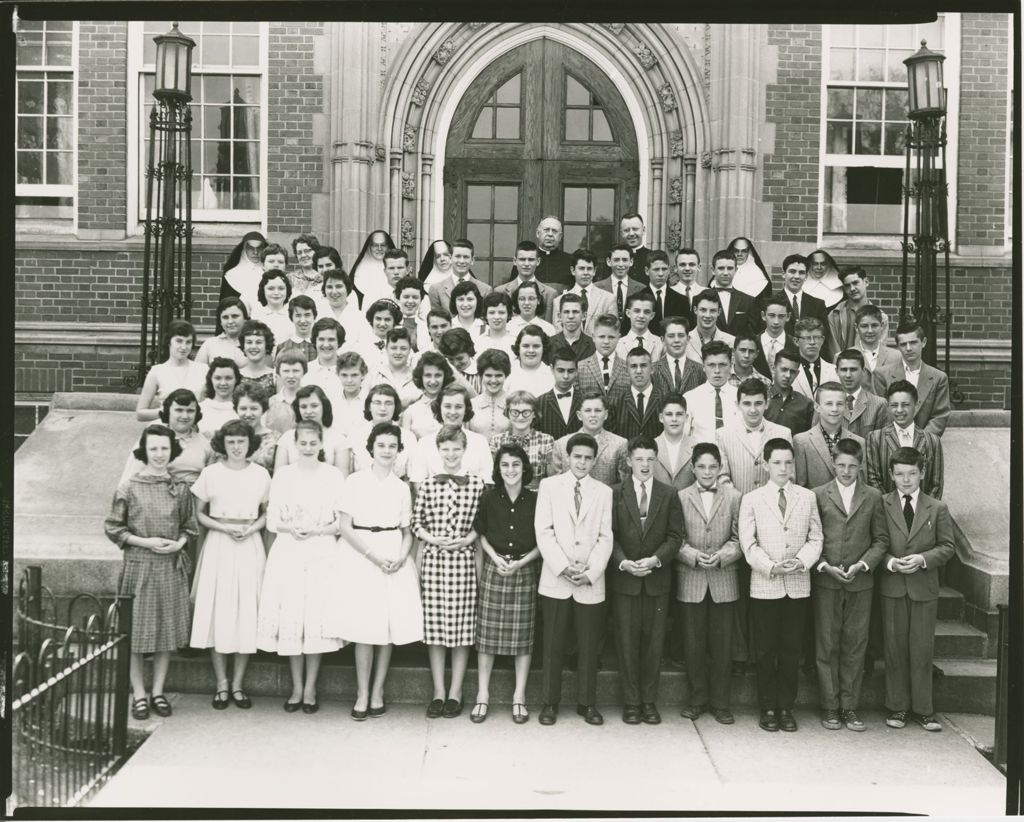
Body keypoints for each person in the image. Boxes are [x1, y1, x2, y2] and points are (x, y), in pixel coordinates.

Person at [104, 424, 197, 721]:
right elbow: (114, 528)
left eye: (165, 449)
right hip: (139, 567)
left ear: (172, 452)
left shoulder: (180, 489)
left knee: (166, 634)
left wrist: (177, 545)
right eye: (154, 448)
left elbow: (189, 527)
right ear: (145, 451)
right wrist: (146, 542)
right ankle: (139, 694)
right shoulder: (129, 487)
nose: (159, 454)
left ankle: (158, 691)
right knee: (135, 635)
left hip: (169, 567)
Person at [257, 420, 347, 713]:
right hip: (289, 550)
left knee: (314, 618)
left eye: (313, 443)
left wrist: (318, 531)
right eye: (303, 443)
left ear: (321, 444)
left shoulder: (333, 476)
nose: (308, 448)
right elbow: (271, 519)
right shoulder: (283, 476)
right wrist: (291, 528)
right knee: (293, 618)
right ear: (295, 444)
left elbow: (340, 522)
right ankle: (296, 687)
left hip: (321, 551)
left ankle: (310, 688)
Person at [335, 422, 423, 720]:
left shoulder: (401, 487)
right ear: (371, 448)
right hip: (362, 554)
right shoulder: (355, 482)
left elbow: (407, 531)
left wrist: (400, 557)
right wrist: (373, 555)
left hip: (393, 555)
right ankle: (361, 692)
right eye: (381, 445)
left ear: (399, 451)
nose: (387, 450)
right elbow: (344, 526)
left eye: (392, 446)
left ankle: (378, 692)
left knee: (387, 628)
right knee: (365, 628)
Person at [739, 438, 823, 733]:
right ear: (765, 465)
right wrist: (772, 566)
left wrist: (801, 562)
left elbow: (816, 538)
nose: (783, 468)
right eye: (777, 462)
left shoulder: (807, 497)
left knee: (791, 648)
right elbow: (748, 543)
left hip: (798, 584)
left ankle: (786, 706)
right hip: (765, 584)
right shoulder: (751, 499)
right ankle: (768, 707)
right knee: (765, 650)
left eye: (788, 462)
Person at [190, 419, 272, 710]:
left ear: (250, 443)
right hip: (220, 545)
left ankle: (238, 684)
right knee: (219, 609)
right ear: (223, 444)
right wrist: (223, 528)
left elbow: (266, 513)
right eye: (231, 442)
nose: (237, 447)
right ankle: (221, 683)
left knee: (245, 612)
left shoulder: (261, 474)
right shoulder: (211, 474)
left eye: (241, 441)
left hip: (249, 544)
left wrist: (251, 529)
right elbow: (199, 513)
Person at [535, 432, 614, 726]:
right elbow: (544, 531)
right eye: (577, 456)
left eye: (587, 458)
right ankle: (549, 703)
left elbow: (606, 537)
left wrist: (591, 571)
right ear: (568, 457)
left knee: (589, 645)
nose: (582, 462)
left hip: (590, 580)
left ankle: (587, 702)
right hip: (557, 578)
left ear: (595, 460)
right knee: (553, 644)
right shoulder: (549, 486)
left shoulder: (604, 492)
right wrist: (562, 566)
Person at [811, 437, 888, 732]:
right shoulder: (818, 495)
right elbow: (812, 536)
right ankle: (830, 706)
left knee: (855, 645)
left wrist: (863, 564)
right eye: (841, 465)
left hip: (860, 582)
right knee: (826, 644)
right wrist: (824, 565)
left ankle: (849, 706)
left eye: (852, 466)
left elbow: (881, 539)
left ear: (860, 466)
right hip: (826, 581)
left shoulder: (873, 496)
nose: (845, 471)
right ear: (833, 463)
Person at [878, 446, 955, 732]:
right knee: (895, 648)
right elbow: (877, 542)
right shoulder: (882, 504)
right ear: (891, 475)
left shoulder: (937, 507)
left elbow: (947, 546)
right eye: (899, 474)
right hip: (893, 586)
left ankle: (924, 709)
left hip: (923, 588)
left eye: (912, 473)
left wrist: (923, 559)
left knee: (921, 649)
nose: (906, 479)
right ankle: (897, 708)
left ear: (922, 473)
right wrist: (889, 562)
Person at [412, 426, 486, 719]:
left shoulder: (478, 485)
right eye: (446, 449)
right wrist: (433, 539)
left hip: (464, 563)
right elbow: (416, 523)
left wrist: (468, 539)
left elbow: (483, 523)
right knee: (436, 630)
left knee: (461, 629)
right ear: (438, 451)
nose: (451, 454)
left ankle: (455, 690)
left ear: (464, 450)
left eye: (456, 449)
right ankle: (438, 691)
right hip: (434, 561)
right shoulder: (428, 484)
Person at [610, 436, 684, 725]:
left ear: (656, 461)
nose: (644, 464)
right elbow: (610, 535)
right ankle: (631, 702)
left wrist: (656, 560)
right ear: (629, 461)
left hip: (656, 580)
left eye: (650, 459)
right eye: (639, 459)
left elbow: (675, 537)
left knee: (654, 644)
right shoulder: (615, 493)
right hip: (625, 580)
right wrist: (622, 562)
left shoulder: (669, 493)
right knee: (627, 644)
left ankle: (649, 701)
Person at [472, 444, 542, 724]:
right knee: (486, 639)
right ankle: (482, 695)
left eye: (515, 464)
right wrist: (495, 558)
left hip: (524, 570)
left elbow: (542, 541)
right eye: (504, 465)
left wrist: (521, 562)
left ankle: (519, 697)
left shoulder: (536, 500)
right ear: (497, 469)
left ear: (524, 468)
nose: (510, 470)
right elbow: (482, 534)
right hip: (495, 568)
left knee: (522, 640)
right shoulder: (489, 498)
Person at [676, 442, 743, 724]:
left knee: (722, 645)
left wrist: (722, 556)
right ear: (692, 467)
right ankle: (697, 699)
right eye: (701, 466)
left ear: (720, 468)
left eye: (712, 467)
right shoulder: (679, 497)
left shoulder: (734, 497)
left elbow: (741, 537)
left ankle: (721, 703)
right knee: (693, 644)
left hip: (722, 578)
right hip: (691, 578)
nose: (707, 472)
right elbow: (673, 536)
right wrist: (690, 554)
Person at [123, 389, 215, 492]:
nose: (185, 416)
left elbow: (211, 483)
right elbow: (133, 477)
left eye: (190, 411)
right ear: (168, 411)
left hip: (193, 501)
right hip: (158, 498)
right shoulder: (153, 439)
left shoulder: (205, 444)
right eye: (179, 410)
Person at [871, 320, 952, 437]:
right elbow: (879, 413)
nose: (908, 348)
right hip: (891, 442)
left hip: (924, 443)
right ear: (898, 346)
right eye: (903, 344)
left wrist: (920, 441)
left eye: (913, 343)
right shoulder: (882, 374)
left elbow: (940, 416)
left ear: (923, 342)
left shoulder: (938, 377)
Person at [866, 380, 944, 499]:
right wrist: (890, 509)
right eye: (894, 405)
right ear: (888, 406)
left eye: (905, 405)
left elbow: (936, 484)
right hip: (887, 511)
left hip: (922, 512)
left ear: (916, 406)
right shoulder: (875, 438)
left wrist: (924, 511)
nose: (899, 410)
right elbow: (873, 479)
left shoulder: (932, 441)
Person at [407, 384, 493, 486]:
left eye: (458, 407)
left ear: (466, 409)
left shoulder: (480, 442)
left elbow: (487, 483)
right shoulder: (424, 444)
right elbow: (418, 482)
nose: (453, 412)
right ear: (439, 408)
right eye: (447, 406)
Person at [717, 378, 793, 493]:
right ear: (737, 405)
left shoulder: (783, 433)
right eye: (747, 403)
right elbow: (722, 477)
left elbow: (789, 476)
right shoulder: (723, 435)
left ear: (766, 404)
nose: (753, 410)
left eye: (758, 403)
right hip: (738, 506)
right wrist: (740, 502)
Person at [794, 381, 866, 488]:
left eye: (839, 404)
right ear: (817, 407)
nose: (834, 409)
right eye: (829, 404)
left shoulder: (858, 441)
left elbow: (862, 485)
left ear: (846, 406)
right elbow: (800, 486)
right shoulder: (802, 441)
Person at [550, 390, 627, 487]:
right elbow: (555, 483)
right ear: (579, 415)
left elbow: (624, 484)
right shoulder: (561, 444)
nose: (593, 415)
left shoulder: (620, 444)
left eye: (598, 410)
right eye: (587, 410)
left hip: (605, 500)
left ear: (606, 414)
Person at [135, 319, 208, 422]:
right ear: (169, 342)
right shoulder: (157, 372)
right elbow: (140, 413)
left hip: (196, 427)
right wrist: (167, 411)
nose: (184, 347)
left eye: (188, 342)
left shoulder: (203, 370)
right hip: (167, 429)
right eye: (179, 341)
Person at [273, 384, 351, 474]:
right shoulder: (287, 438)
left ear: (324, 406)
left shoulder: (338, 439)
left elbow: (342, 479)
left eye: (314, 406)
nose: (308, 411)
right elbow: (279, 477)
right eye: (303, 407)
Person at [488, 390, 555, 489]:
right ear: (508, 413)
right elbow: (493, 479)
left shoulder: (547, 441)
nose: (520, 417)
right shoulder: (497, 441)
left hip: (537, 499)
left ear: (534, 414)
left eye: (526, 412)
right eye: (515, 412)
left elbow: (552, 480)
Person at [350, 384, 415, 478]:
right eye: (377, 402)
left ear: (395, 406)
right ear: (369, 406)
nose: (383, 408)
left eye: (388, 403)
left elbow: (412, 475)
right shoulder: (355, 435)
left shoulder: (408, 437)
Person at [776, 254, 831, 360]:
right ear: (783, 274)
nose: (796, 277)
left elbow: (824, 338)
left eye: (801, 273)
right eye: (792, 271)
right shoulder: (771, 303)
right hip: (782, 360)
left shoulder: (817, 304)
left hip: (809, 361)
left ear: (806, 276)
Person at [683, 340, 739, 444]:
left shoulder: (740, 397)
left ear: (731, 366)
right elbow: (683, 437)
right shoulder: (690, 398)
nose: (717, 370)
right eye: (711, 365)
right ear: (703, 366)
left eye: (722, 365)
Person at [827, 267, 890, 357]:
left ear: (866, 282)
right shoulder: (834, 315)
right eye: (847, 285)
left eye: (855, 283)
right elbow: (834, 350)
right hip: (842, 367)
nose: (852, 289)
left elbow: (878, 351)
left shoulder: (881, 317)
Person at [552, 249, 616, 334]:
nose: (586, 273)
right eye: (581, 268)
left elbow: (612, 331)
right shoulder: (559, 301)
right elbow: (558, 332)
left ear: (594, 271)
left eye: (589, 269)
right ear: (573, 270)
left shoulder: (608, 299)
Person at [494, 241, 560, 321]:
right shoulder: (500, 291)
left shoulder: (550, 294)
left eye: (531, 260)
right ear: (515, 261)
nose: (526, 264)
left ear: (538, 261)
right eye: (522, 259)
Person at [835, 349, 892, 439]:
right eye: (843, 370)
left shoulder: (879, 404)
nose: (848, 375)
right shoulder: (828, 402)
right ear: (836, 371)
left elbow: (883, 442)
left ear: (863, 371)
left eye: (853, 369)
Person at [427, 238, 492, 313]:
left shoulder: (485, 290)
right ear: (450, 258)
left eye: (466, 257)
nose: (461, 261)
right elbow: (437, 320)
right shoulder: (436, 289)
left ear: (472, 260)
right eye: (457, 256)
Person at [577, 313, 630, 404]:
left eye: (611, 337)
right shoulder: (581, 367)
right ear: (593, 337)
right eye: (601, 337)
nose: (606, 341)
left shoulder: (627, 368)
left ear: (618, 338)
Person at [403, 351, 456, 439]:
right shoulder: (410, 412)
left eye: (438, 375)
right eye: (428, 375)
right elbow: (407, 445)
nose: (433, 381)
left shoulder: (454, 407)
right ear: (421, 377)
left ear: (445, 376)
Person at [616, 346, 666, 440]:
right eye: (633, 366)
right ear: (626, 370)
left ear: (652, 369)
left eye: (643, 365)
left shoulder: (664, 400)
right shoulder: (617, 402)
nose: (639, 371)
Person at [316, 267, 371, 351]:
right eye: (329, 287)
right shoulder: (317, 316)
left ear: (347, 288)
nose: (334, 292)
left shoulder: (361, 318)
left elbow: (365, 346)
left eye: (339, 286)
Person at [534, 348, 583, 440]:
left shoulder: (585, 401)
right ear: (552, 369)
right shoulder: (539, 403)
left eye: (570, 371)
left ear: (576, 371)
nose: (565, 376)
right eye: (560, 370)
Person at [707, 250, 759, 337]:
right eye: (721, 268)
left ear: (736, 270)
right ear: (713, 270)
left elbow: (752, 334)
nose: (726, 273)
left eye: (730, 268)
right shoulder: (700, 298)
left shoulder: (748, 301)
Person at [231, 383, 280, 473]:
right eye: (243, 408)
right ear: (236, 409)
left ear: (263, 409)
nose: (248, 414)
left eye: (254, 408)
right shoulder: (228, 437)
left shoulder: (276, 439)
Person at [595, 243, 645, 329]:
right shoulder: (596, 287)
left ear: (631, 262)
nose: (621, 264)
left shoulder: (642, 289)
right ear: (609, 262)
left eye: (625, 260)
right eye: (616, 260)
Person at [765, 349, 815, 436]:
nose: (788, 375)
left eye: (792, 372)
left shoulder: (806, 404)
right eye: (784, 369)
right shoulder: (761, 399)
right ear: (773, 368)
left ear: (797, 374)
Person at [652, 394, 697, 491]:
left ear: (686, 417)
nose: (674, 419)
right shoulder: (650, 447)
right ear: (661, 418)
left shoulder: (696, 447)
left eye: (679, 414)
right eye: (669, 414)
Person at [640, 250, 690, 337]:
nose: (660, 274)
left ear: (669, 270)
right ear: (647, 271)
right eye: (656, 269)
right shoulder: (637, 299)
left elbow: (687, 331)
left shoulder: (682, 301)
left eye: (664, 269)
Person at [218, 231, 267, 319]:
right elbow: (224, 308)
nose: (255, 252)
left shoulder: (269, 272)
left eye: (259, 248)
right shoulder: (232, 275)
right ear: (244, 249)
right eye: (251, 248)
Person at [653, 316, 705, 397]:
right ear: (663, 340)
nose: (676, 340)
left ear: (688, 339)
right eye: (671, 336)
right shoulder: (653, 370)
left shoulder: (700, 370)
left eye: (681, 335)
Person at [301, 317, 346, 410]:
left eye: (331, 340)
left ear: (339, 342)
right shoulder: (305, 370)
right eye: (321, 339)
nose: (326, 345)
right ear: (315, 341)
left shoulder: (348, 372)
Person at [850, 305, 901, 384]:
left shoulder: (896, 356)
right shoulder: (844, 356)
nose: (870, 331)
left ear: (881, 326)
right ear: (856, 328)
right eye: (864, 326)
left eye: (874, 325)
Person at [520, 217, 575, 290]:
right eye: (546, 230)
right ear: (537, 233)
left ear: (560, 236)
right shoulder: (523, 260)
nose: (550, 234)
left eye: (554, 231)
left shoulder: (570, 261)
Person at [369, 327, 418, 407]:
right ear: (386, 349)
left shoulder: (417, 376)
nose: (398, 352)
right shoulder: (374, 375)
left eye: (403, 348)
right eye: (393, 348)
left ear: (409, 350)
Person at [792, 317, 838, 400]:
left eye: (816, 337)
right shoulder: (789, 371)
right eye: (807, 338)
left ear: (823, 340)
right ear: (796, 341)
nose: (812, 342)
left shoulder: (834, 371)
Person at [469, 349, 511, 439]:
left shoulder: (514, 404)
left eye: (498, 375)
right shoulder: (471, 404)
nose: (493, 380)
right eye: (488, 375)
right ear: (481, 376)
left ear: (506, 376)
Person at [196, 298, 249, 368]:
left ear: (245, 319)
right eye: (225, 317)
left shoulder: (254, 342)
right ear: (220, 322)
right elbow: (197, 373)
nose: (230, 321)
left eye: (235, 316)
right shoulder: (210, 344)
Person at [686, 291, 735, 364]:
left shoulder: (732, 341)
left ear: (719, 312)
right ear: (695, 310)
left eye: (712, 311)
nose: (708, 315)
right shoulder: (685, 341)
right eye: (703, 310)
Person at [506, 325, 555, 397]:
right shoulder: (507, 373)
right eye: (526, 346)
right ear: (518, 347)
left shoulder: (552, 375)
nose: (531, 350)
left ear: (544, 348)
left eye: (536, 346)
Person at [249, 269, 294, 346]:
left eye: (281, 288)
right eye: (271, 288)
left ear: (287, 290)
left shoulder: (294, 315)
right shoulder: (255, 316)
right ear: (263, 291)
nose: (276, 293)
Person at [615, 292, 664, 362]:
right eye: (637, 311)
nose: (641, 316)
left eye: (646, 312)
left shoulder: (660, 344)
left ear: (652, 316)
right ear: (628, 313)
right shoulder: (618, 345)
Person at [350, 230, 396, 304]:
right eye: (375, 245)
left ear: (388, 246)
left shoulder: (397, 269)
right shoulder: (359, 271)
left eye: (383, 245)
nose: (379, 248)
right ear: (370, 247)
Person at [265, 350, 307, 432]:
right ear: (279, 372)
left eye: (296, 371)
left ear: (304, 372)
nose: (291, 376)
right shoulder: (271, 403)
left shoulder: (310, 399)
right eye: (286, 371)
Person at [199, 357, 241, 437]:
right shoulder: (200, 409)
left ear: (236, 380)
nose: (223, 383)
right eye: (218, 378)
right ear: (211, 379)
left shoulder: (242, 409)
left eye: (228, 378)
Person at [755, 295, 793, 380]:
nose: (776, 322)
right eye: (772, 315)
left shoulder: (795, 345)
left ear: (788, 317)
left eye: (781, 316)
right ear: (763, 316)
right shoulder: (753, 343)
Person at [549, 293, 596, 360]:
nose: (570, 316)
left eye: (575, 312)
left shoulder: (593, 346)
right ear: (559, 316)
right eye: (566, 312)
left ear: (584, 316)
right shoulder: (549, 345)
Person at [437, 327, 481, 396]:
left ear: (469, 351)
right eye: (451, 359)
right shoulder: (445, 373)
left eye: (460, 358)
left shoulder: (481, 374)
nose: (456, 364)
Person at [238, 319, 277, 397]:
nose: (253, 346)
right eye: (249, 342)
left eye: (258, 342)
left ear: (266, 345)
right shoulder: (237, 375)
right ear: (243, 346)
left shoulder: (274, 376)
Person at [726, 236, 771, 301]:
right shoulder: (724, 271)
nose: (739, 254)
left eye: (744, 251)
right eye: (736, 251)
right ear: (732, 251)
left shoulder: (758, 276)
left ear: (748, 252)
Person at [276, 295, 318, 364]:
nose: (302, 321)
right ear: (291, 317)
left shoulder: (321, 345)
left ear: (314, 316)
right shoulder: (282, 347)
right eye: (298, 315)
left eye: (307, 315)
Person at [362, 298, 403, 368]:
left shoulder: (402, 347)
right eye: (378, 319)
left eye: (387, 319)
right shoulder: (362, 346)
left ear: (394, 322)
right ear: (372, 319)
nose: (382, 324)